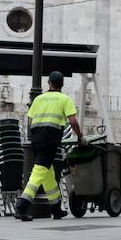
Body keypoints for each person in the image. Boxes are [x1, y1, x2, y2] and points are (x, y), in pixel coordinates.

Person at [15, 71, 86, 222]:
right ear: (62, 84)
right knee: (39, 172)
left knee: (48, 173)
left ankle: (55, 208)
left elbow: (30, 119)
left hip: (36, 137)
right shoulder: (65, 99)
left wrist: (34, 136)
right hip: (51, 138)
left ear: (49, 83)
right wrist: (80, 136)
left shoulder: (38, 99)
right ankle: (22, 205)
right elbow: (73, 121)